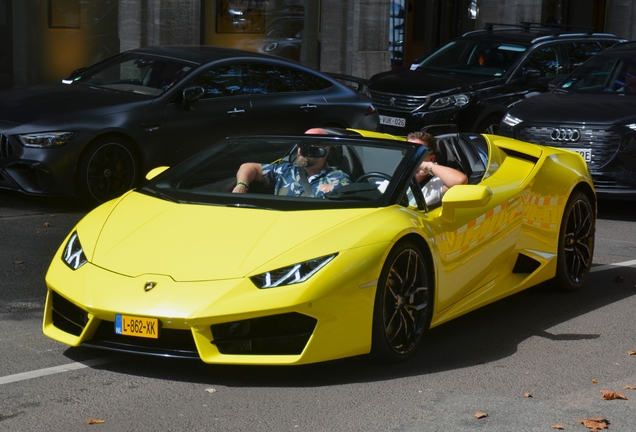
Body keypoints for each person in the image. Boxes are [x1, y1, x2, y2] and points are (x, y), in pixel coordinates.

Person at [232, 128, 351, 197]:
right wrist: (242, 184)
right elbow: (248, 167)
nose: (300, 151)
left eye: (308, 146)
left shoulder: (339, 180)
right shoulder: (285, 170)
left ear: (323, 150)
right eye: (300, 145)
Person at [407, 131, 467, 206]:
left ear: (431, 159)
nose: (410, 158)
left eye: (417, 154)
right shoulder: (393, 176)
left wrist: (428, 166)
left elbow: (460, 181)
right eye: (407, 152)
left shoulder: (436, 183)